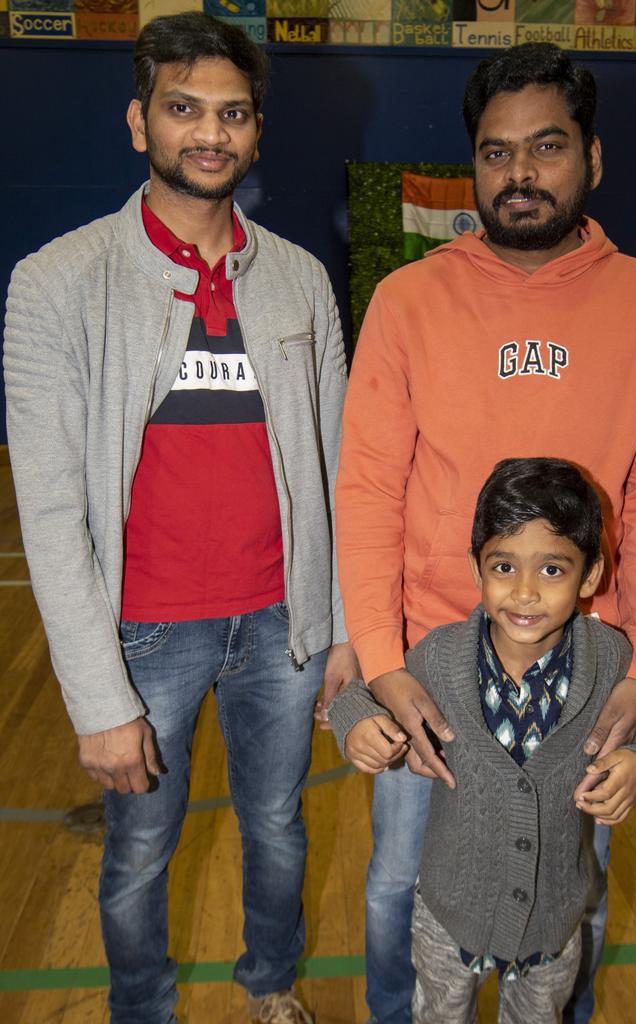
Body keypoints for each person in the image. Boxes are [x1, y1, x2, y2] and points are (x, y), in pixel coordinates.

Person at [332, 42, 636, 1024]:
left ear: (593, 158)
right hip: (434, 676)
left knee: (568, 900)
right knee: (396, 895)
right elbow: (366, 488)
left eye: (545, 147)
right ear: (473, 165)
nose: (520, 174)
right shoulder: (409, 301)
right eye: (496, 154)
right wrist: (381, 659)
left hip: (587, 676)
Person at [4, 12, 355, 1024]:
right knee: (139, 852)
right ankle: (142, 1009)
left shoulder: (299, 278)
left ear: (256, 131)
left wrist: (339, 629)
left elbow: (335, 468)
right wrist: (94, 694)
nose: (210, 132)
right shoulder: (55, 283)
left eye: (232, 113)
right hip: (145, 634)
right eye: (184, 109)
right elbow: (54, 507)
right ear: (138, 122)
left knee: (279, 827)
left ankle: (270, 983)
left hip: (280, 624)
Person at [330, 458, 636, 1024]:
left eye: (553, 571)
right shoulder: (441, 656)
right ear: (475, 568)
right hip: (447, 915)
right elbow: (358, 698)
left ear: (590, 576)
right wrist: (355, 726)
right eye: (504, 566)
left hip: (553, 924)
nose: (526, 593)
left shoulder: (610, 658)